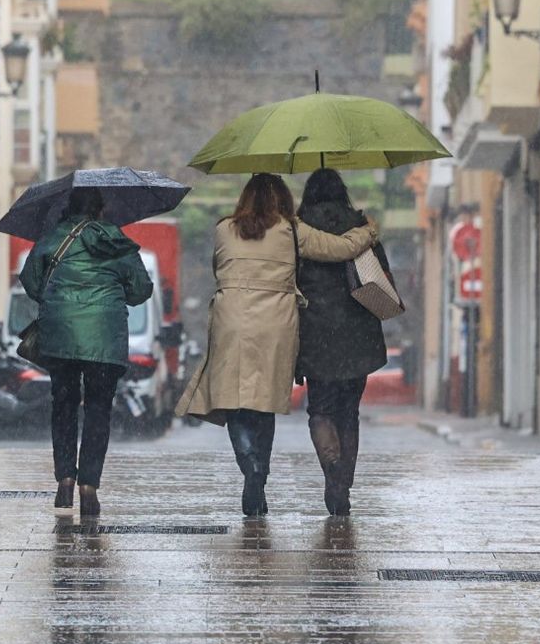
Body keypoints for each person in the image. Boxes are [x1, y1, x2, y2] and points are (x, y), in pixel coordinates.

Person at [175, 173, 377, 517]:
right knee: (263, 402)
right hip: (275, 324)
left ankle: (252, 468)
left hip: (231, 321)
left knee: (236, 404)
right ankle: (262, 471)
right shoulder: (291, 230)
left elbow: (217, 269)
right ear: (281, 198)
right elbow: (340, 249)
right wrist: (368, 230)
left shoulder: (224, 229)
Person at [19, 187, 153, 517]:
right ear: (101, 209)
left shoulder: (53, 238)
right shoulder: (117, 241)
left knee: (63, 405)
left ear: (69, 208)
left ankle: (65, 479)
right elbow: (141, 290)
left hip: (61, 334)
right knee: (98, 409)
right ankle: (89, 485)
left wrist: (60, 299)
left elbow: (31, 281)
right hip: (104, 338)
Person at [296, 168, 391, 516]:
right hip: (358, 334)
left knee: (320, 410)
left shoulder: (297, 231)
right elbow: (381, 276)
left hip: (316, 334)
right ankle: (343, 484)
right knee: (349, 412)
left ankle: (332, 471)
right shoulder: (362, 228)